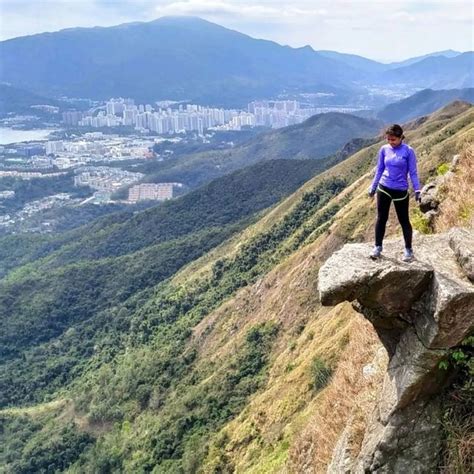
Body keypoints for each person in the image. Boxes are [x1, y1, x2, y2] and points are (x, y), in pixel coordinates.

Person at [368, 124, 421, 262]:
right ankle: (377, 247)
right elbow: (379, 169)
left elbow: (413, 172)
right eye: (388, 139)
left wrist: (417, 189)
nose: (390, 142)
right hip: (384, 188)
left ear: (401, 137)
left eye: (393, 140)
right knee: (381, 218)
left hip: (400, 190)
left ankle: (408, 250)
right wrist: (373, 187)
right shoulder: (384, 149)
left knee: (404, 220)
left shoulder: (408, 151)